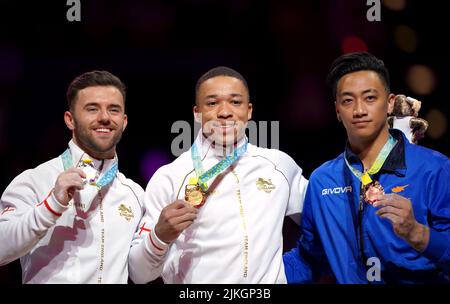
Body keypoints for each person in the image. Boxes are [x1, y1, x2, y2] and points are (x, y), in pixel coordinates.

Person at [128, 66, 308, 283]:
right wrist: (159, 236)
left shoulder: (278, 166)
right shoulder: (170, 177)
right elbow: (139, 274)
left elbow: (325, 225)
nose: (224, 112)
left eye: (235, 102)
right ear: (197, 113)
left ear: (249, 111)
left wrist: (293, 270)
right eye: (212, 103)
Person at [283, 52, 450, 283]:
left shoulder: (435, 169)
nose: (359, 110)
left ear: (390, 103)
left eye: (370, 98)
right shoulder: (323, 181)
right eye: (348, 100)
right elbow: (309, 259)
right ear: (337, 111)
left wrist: (416, 232)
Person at [0, 71, 144, 283]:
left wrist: (160, 236)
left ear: (123, 122)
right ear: (70, 120)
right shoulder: (34, 180)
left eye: (113, 110)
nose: (104, 117)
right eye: (92, 109)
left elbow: (141, 274)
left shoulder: (134, 193)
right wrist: (52, 205)